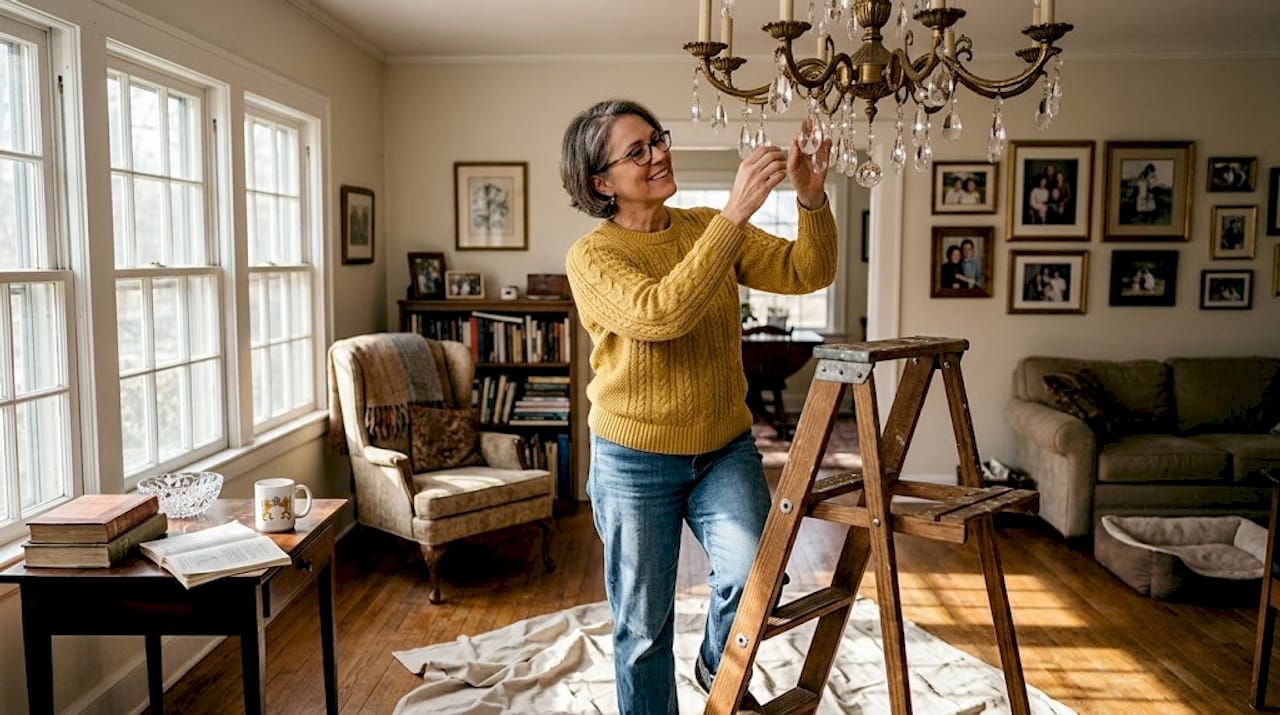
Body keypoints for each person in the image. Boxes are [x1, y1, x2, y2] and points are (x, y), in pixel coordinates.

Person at [560, 98, 836, 715]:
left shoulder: (703, 226)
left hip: (723, 447)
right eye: (637, 151)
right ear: (601, 182)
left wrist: (812, 198)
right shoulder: (592, 257)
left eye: (656, 139)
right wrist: (736, 213)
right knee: (642, 628)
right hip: (633, 460)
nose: (658, 154)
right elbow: (661, 315)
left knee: (755, 579)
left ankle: (719, 670)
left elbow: (809, 269)